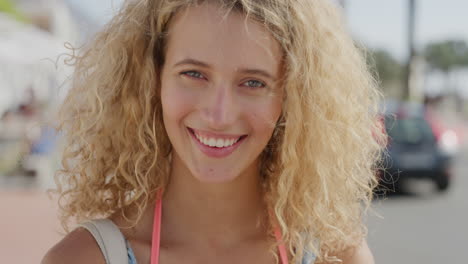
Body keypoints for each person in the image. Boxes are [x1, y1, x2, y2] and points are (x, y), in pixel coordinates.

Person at [42, 0, 385, 263]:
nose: (219, 115)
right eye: (194, 74)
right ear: (152, 81)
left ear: (292, 98)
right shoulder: (84, 258)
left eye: (253, 82)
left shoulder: (336, 256)